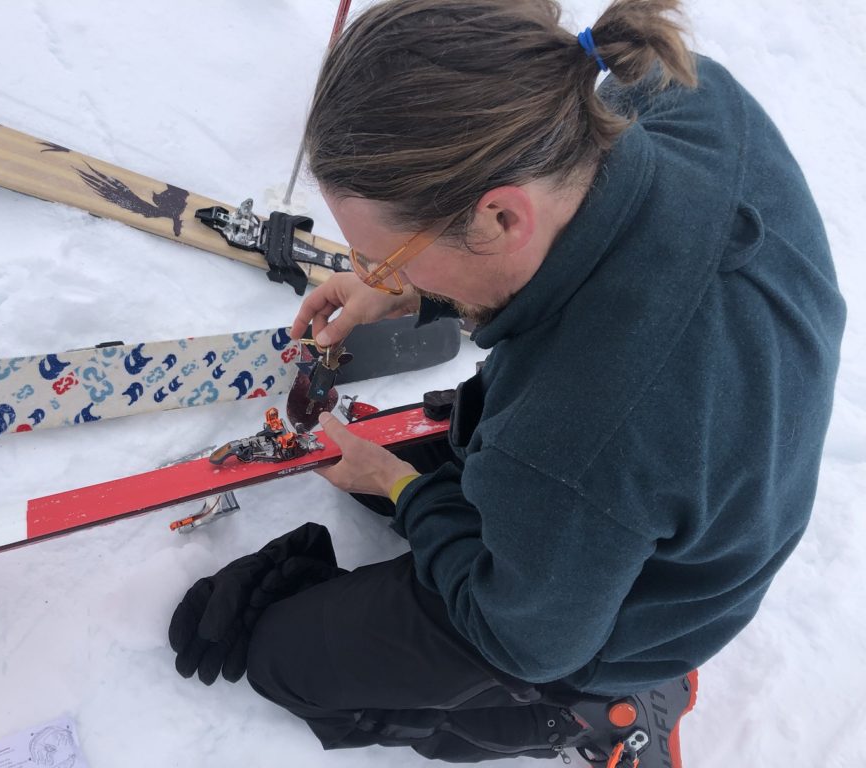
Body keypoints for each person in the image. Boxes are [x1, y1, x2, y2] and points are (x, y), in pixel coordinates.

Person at [168, 0, 846, 765]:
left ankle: (592, 717)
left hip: (624, 618)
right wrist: (415, 289)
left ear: (498, 217)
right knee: (451, 480)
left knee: (282, 658)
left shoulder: (578, 435)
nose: (374, 276)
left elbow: (523, 637)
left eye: (385, 258)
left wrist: (401, 487)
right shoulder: (681, 97)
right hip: (700, 486)